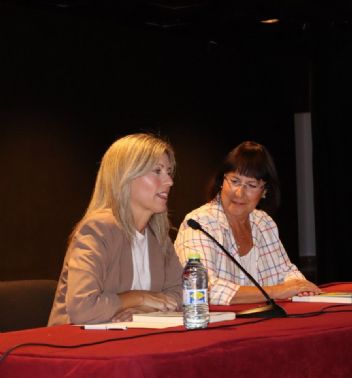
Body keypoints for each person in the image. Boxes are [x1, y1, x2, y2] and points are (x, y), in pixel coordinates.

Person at [48, 133, 182, 326]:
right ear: (126, 177)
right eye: (157, 171)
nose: (169, 182)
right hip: (75, 347)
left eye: (169, 172)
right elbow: (83, 309)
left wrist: (141, 310)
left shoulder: (158, 236)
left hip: (132, 341)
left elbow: (182, 294)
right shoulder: (97, 229)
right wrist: (138, 298)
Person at [174, 141, 320, 305]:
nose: (239, 193)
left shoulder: (263, 222)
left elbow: (286, 272)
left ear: (264, 191)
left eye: (251, 185)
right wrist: (276, 291)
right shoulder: (199, 223)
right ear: (222, 181)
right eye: (235, 181)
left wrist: (301, 286)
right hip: (219, 325)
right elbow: (204, 288)